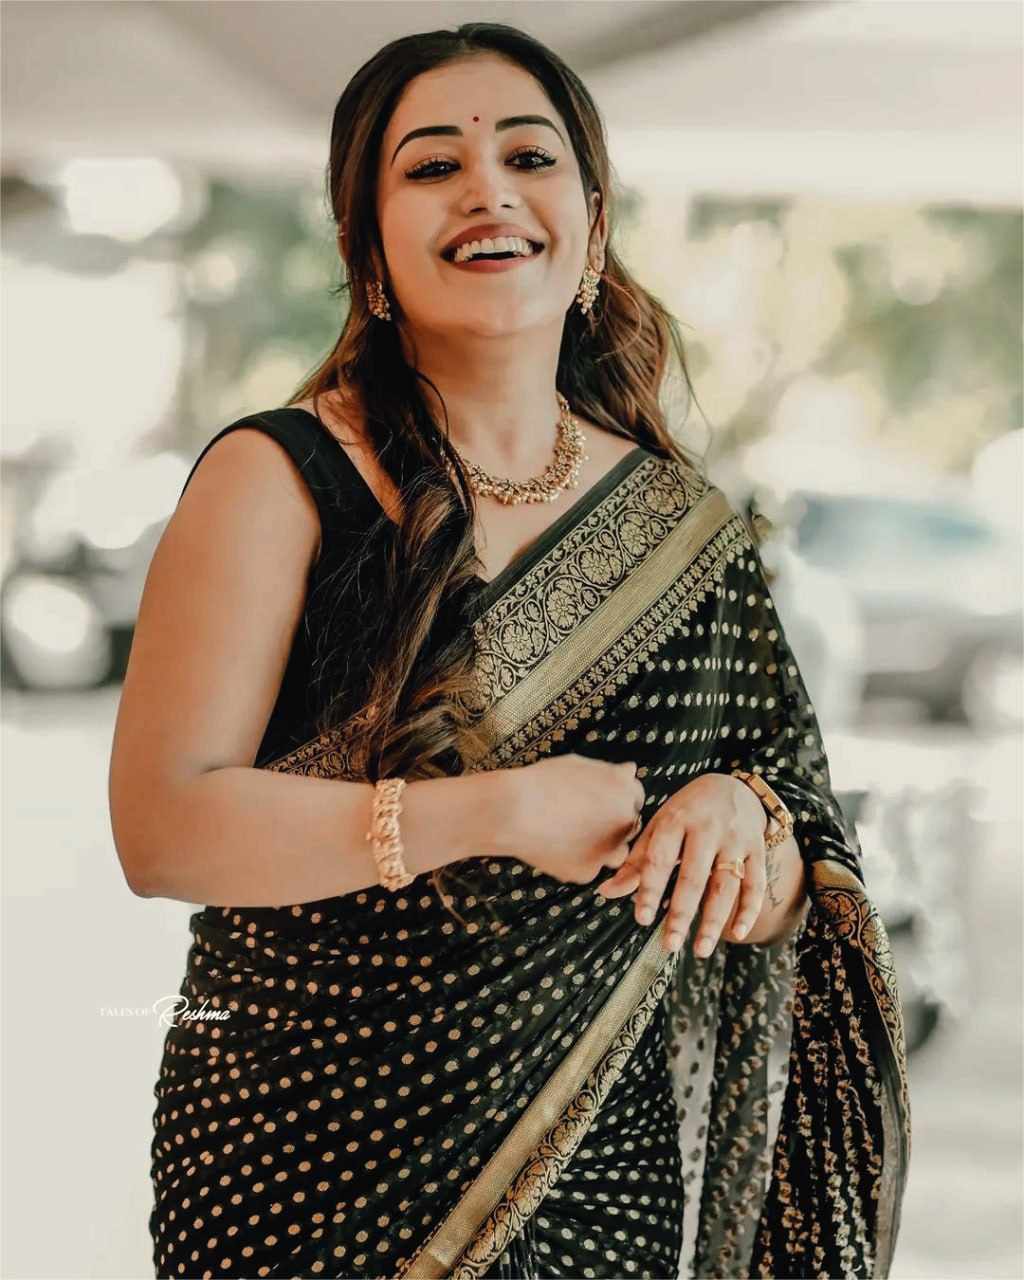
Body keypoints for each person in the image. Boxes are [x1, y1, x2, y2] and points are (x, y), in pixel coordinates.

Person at [109, 22, 910, 1280]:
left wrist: (737, 818)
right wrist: (492, 811)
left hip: (601, 1176)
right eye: (432, 166)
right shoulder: (276, 477)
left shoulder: (680, 526)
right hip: (303, 1167)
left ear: (592, 223)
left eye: (529, 157)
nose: (486, 189)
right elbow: (162, 830)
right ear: (367, 248)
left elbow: (800, 872)